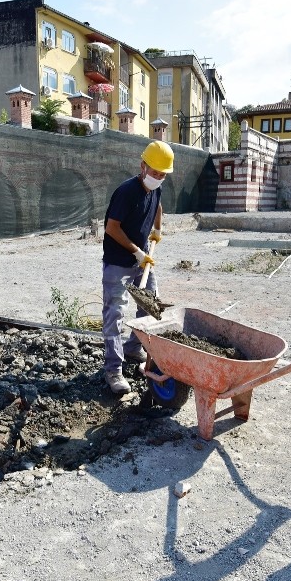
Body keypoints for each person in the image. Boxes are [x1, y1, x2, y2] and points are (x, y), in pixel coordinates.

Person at [101, 141, 174, 395]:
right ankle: (113, 370)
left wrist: (157, 229)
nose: (158, 178)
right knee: (115, 315)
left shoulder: (156, 188)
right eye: (154, 172)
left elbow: (158, 205)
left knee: (149, 306)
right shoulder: (127, 192)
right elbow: (111, 227)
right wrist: (138, 252)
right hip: (118, 263)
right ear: (143, 166)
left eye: (163, 174)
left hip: (142, 261)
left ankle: (133, 347)